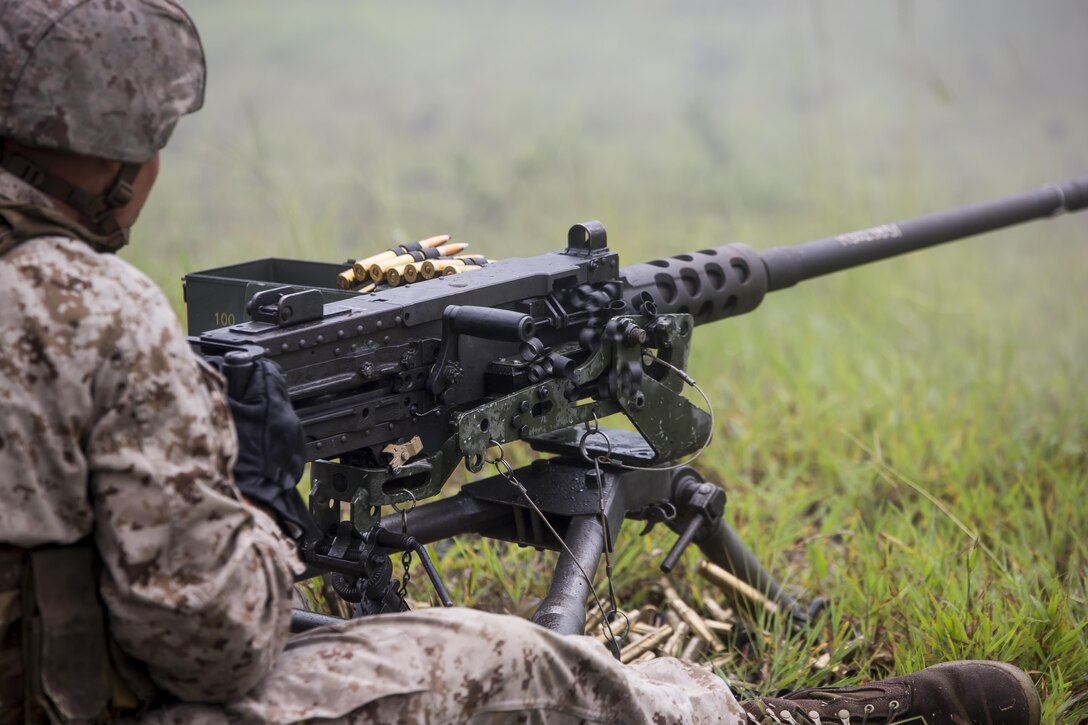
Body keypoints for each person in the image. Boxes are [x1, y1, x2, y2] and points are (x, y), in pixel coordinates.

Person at [0, 1, 1042, 724]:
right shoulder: (93, 310)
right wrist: (260, 513)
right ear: (122, 150)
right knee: (502, 655)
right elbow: (213, 647)